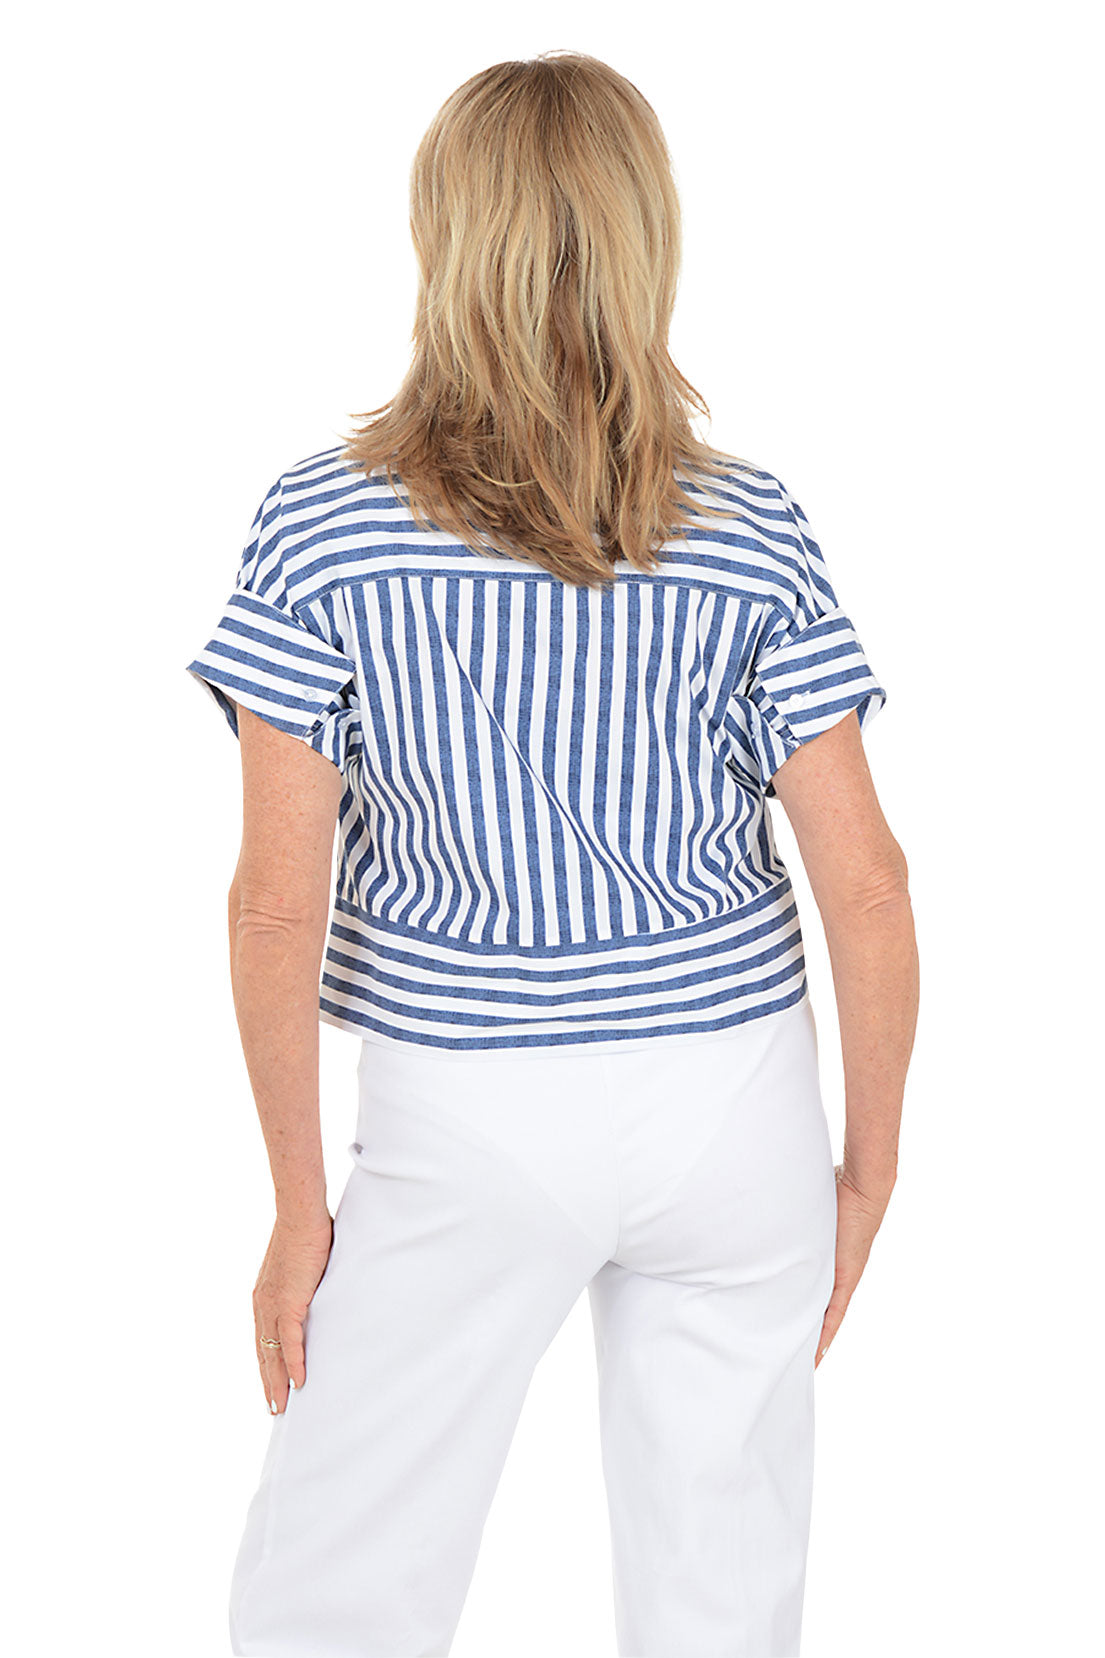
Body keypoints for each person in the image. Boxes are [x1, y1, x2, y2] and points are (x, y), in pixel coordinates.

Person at [185, 49, 918, 1658]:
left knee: (338, 1581)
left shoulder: (324, 526)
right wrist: (866, 1167)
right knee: (720, 1596)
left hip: (466, 1103)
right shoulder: (751, 525)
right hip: (733, 1094)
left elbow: (271, 900)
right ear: (648, 235)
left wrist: (298, 1203)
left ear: (443, 239)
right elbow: (863, 881)